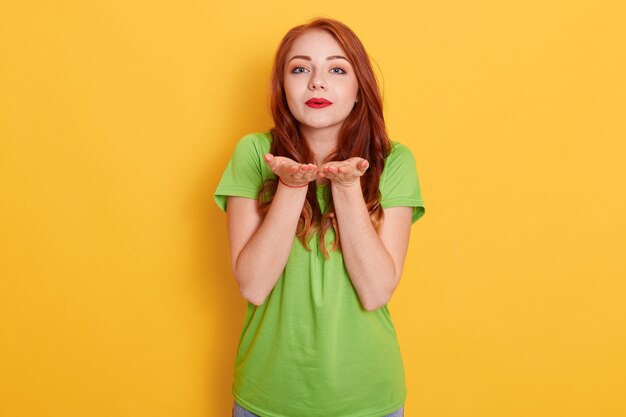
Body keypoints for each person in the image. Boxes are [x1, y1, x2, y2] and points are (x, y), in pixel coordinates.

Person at [214, 17, 426, 417]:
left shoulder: (394, 160)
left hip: (368, 399)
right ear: (283, 88)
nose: (317, 82)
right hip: (267, 397)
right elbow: (253, 285)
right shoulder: (253, 153)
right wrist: (292, 187)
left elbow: (377, 290)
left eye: (336, 68)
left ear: (359, 88)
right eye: (300, 68)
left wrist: (346, 189)